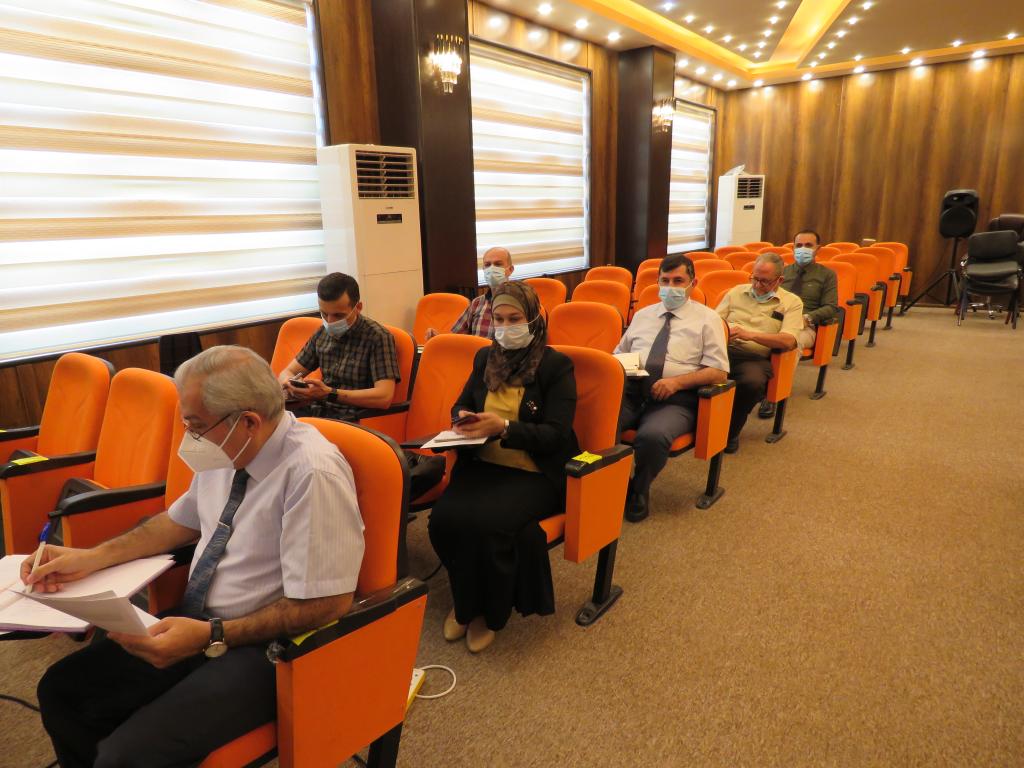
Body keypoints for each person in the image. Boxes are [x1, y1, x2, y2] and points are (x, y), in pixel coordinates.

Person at [28, 345, 364, 768]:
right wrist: (90, 558)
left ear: (248, 421)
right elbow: (176, 523)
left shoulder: (312, 473)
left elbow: (327, 602)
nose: (190, 438)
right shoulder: (231, 447)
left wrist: (212, 634)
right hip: (197, 622)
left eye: (197, 426)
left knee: (124, 756)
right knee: (61, 691)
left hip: (265, 647)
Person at [427, 281, 578, 653]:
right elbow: (460, 404)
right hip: (484, 464)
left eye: (515, 319)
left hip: (534, 471)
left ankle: (487, 614)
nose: (506, 327)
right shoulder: (485, 358)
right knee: (444, 521)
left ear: (534, 319)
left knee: (487, 526)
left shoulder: (555, 366)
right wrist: (462, 418)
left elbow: (556, 435)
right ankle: (467, 602)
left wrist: (505, 427)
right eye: (499, 319)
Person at [615, 254, 729, 522]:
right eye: (665, 281)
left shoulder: (708, 319)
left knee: (652, 436)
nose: (670, 287)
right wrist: (628, 369)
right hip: (633, 390)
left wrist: (677, 382)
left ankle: (639, 489)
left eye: (678, 281)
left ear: (693, 283)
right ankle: (610, 482)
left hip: (677, 398)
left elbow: (719, 371)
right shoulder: (643, 315)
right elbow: (619, 354)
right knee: (599, 424)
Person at [277, 272, 399, 421]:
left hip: (352, 418)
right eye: (324, 314)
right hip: (317, 411)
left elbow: (384, 397)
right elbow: (288, 372)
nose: (330, 321)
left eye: (338, 315)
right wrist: (290, 384)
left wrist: (330, 394)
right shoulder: (322, 333)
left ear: (358, 307)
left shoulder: (377, 337)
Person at [716, 252, 803, 454]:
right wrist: (724, 332)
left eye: (764, 281)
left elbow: (789, 340)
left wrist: (750, 335)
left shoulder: (791, 302)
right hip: (722, 348)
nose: (757, 285)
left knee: (751, 382)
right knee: (692, 369)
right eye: (754, 278)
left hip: (754, 357)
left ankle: (730, 431)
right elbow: (713, 321)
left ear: (779, 280)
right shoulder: (736, 292)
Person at [758, 230, 838, 419]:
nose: (803, 249)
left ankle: (772, 395)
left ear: (818, 248)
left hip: (805, 325)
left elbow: (831, 307)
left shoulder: (827, 275)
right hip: (775, 321)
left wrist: (807, 318)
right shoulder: (783, 272)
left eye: (808, 245)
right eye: (799, 245)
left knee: (791, 343)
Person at [426, 247, 515, 340]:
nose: (492, 268)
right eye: (487, 265)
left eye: (498, 264)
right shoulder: (477, 303)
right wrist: (437, 339)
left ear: (510, 270)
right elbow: (456, 338)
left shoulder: (520, 302)